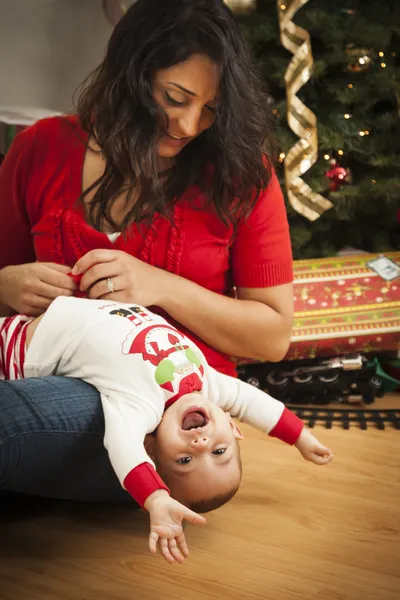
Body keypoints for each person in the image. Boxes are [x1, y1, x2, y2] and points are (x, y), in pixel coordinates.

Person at [0, 0, 294, 513]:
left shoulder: (243, 177)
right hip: (33, 368)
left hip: (151, 414)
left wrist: (161, 286)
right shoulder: (38, 149)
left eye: (211, 110)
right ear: (129, 75)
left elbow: (272, 336)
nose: (187, 125)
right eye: (173, 98)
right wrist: (3, 284)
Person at [0, 296, 333, 564]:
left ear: (153, 446)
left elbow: (123, 447)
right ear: (234, 429)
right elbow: (250, 400)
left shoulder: (139, 406)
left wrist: (155, 497)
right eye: (220, 452)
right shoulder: (207, 385)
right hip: (44, 312)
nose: (201, 444)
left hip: (16, 349)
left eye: (184, 460)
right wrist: (299, 436)